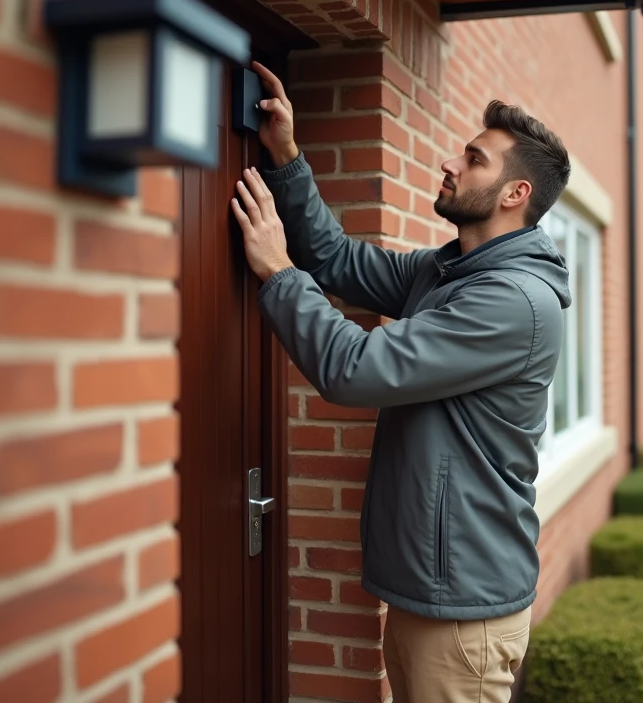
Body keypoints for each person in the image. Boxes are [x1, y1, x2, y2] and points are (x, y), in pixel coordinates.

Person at [231, 61, 572, 703]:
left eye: (473, 159)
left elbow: (354, 369)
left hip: (464, 615)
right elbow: (338, 259)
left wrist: (277, 273)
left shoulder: (512, 301)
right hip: (431, 594)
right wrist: (287, 156)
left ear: (514, 194)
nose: (451, 163)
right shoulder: (450, 272)